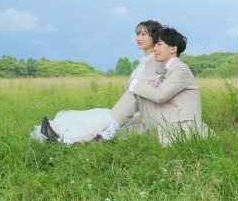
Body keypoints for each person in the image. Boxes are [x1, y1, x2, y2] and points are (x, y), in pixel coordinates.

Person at [31, 20, 163, 144]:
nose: (139, 38)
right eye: (138, 34)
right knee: (97, 114)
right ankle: (58, 133)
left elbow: (151, 89)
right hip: (128, 106)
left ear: (155, 37)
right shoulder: (146, 60)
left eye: (144, 34)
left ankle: (65, 138)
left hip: (139, 108)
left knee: (103, 120)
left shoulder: (154, 62)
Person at [96, 26, 209, 146]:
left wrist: (135, 84)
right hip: (169, 118)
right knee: (131, 125)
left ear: (173, 49)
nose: (154, 49)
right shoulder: (166, 69)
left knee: (136, 89)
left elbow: (160, 95)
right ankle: (107, 132)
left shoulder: (180, 69)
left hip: (181, 128)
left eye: (159, 45)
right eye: (154, 45)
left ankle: (110, 130)